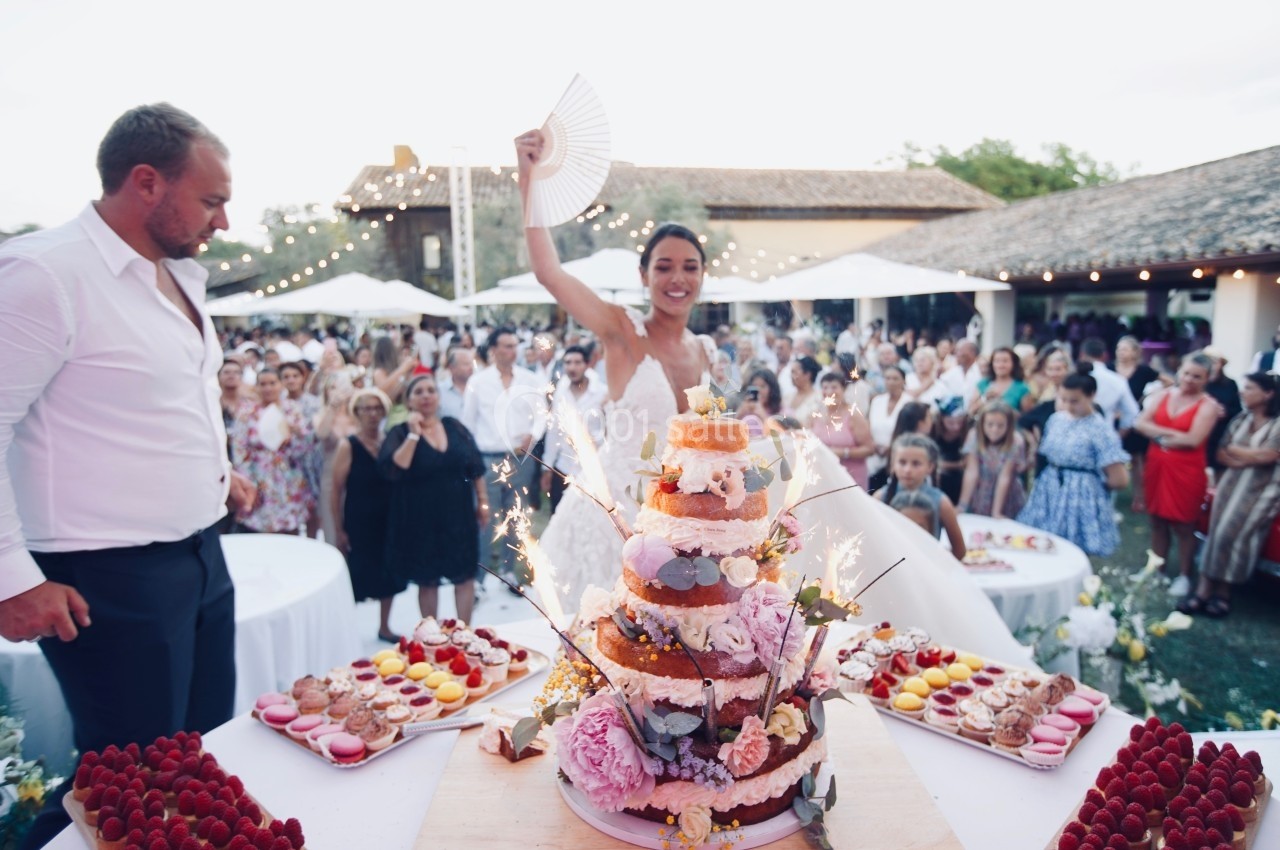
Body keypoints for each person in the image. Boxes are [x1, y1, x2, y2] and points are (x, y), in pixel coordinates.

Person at [0, 103, 254, 846]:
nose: (223, 221)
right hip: (104, 576)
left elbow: (161, 401)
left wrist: (220, 475)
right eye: (211, 200)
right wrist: (11, 578)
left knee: (197, 759)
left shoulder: (175, 275)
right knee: (123, 787)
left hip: (201, 557)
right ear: (146, 183)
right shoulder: (45, 272)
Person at [516, 128, 718, 608]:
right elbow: (550, 273)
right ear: (643, 275)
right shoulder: (622, 330)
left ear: (702, 275)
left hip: (682, 520)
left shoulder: (706, 350)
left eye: (690, 267)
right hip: (613, 515)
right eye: (664, 266)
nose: (677, 278)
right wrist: (529, 178)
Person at [381, 374, 487, 624]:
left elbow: (475, 467)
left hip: (459, 515)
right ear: (409, 401)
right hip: (421, 519)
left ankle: (465, 631)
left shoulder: (454, 427)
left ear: (439, 397)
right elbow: (397, 466)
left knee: (465, 576)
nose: (426, 396)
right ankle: (432, 635)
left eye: (431, 390)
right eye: (418, 392)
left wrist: (483, 501)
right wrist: (414, 434)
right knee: (428, 581)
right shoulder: (400, 432)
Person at [1179, 372, 1280, 618]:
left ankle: (1222, 592)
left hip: (1262, 491)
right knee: (1217, 532)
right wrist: (1248, 456)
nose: (1243, 392)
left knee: (1235, 536)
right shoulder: (1241, 419)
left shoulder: (1277, 423)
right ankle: (1205, 590)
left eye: (1250, 388)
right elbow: (1222, 452)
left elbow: (1270, 455)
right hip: (1230, 485)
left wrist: (1238, 451)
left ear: (1268, 394)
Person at [461, 326, 546, 580]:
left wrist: (534, 435)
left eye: (515, 345)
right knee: (486, 517)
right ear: (494, 349)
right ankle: (482, 576)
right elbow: (468, 423)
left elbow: (542, 414)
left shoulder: (530, 379)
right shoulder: (478, 382)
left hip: (520, 458)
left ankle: (510, 572)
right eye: (507, 346)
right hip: (488, 458)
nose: (513, 351)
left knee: (517, 515)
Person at [1017, 366, 1130, 556]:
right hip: (1050, 488)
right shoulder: (1057, 419)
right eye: (1064, 399)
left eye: (1075, 401)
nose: (1068, 406)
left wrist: (1090, 486)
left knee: (1070, 549)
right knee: (1040, 544)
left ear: (1091, 395)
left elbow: (1119, 479)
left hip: (1079, 495)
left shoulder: (1100, 429)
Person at [1134, 353, 1220, 597]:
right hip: (1157, 465)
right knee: (1156, 520)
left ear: (1206, 379)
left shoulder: (1208, 405)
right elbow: (1139, 423)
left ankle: (1184, 575)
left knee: (1184, 524)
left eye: (1197, 376)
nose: (1190, 379)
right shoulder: (1163, 395)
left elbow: (1193, 439)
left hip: (1187, 469)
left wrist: (1157, 434)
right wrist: (1171, 435)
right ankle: (1156, 568)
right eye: (1186, 373)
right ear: (1179, 371)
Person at [330, 387, 404, 642]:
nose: (372, 414)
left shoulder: (391, 441)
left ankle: (384, 626)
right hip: (360, 519)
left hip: (389, 518)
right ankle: (345, 630)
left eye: (377, 408)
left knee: (389, 573)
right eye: (366, 409)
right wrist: (338, 528)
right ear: (357, 413)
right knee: (357, 574)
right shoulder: (348, 445)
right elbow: (336, 489)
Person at [230, 369, 316, 534]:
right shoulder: (247, 412)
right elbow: (239, 448)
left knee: (291, 527)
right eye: (263, 384)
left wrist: (295, 434)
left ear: (280, 385)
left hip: (288, 475)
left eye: (272, 383)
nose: (268, 388)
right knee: (262, 526)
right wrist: (248, 480)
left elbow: (305, 445)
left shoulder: (292, 409)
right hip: (259, 476)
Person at [876, 434, 966, 560]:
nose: (908, 470)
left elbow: (959, 550)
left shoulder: (941, 502)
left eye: (916, 464)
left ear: (930, 467)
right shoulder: (880, 498)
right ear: (893, 464)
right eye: (902, 462)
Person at [541, 346, 609, 513]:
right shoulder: (560, 392)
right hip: (564, 466)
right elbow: (554, 431)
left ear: (587, 365)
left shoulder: (601, 393)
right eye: (568, 362)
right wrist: (547, 467)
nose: (572, 367)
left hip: (594, 468)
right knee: (559, 514)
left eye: (577, 362)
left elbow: (611, 430)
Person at [958, 401, 1029, 519]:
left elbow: (1004, 477)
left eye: (1000, 425)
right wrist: (962, 505)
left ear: (1009, 425)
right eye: (990, 424)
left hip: (1005, 494)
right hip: (981, 491)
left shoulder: (1015, 441)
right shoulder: (974, 436)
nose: (994, 430)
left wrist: (996, 512)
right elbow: (971, 472)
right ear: (982, 423)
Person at [809, 371, 873, 489]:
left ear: (843, 390)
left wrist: (844, 453)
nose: (829, 392)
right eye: (825, 387)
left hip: (850, 477)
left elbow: (869, 449)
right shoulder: (816, 414)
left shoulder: (853, 415)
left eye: (834, 387)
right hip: (825, 477)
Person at [1202, 347, 1243, 476]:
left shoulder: (1230, 384)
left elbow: (1238, 410)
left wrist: (1225, 412)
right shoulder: (1201, 383)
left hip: (1221, 431)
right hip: (1203, 430)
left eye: (1215, 361)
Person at [867, 364, 907, 489]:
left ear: (903, 381)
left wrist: (891, 448)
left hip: (899, 455)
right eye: (887, 378)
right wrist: (873, 444)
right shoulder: (877, 401)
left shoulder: (909, 402)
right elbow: (869, 425)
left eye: (895, 378)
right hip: (875, 455)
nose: (891, 382)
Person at [932, 396, 970, 503]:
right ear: (942, 419)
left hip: (960, 479)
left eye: (959, 422)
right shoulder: (933, 430)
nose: (956, 427)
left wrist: (943, 465)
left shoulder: (968, 430)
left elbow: (967, 463)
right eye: (951, 423)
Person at [973, 347, 1034, 414]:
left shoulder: (1022, 388)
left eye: (1005, 361)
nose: (1001, 365)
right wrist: (984, 399)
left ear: (1013, 363)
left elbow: (1028, 416)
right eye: (997, 361)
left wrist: (1001, 403)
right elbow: (971, 411)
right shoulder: (983, 384)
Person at [735, 368, 784, 437]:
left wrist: (763, 416)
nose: (758, 390)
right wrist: (739, 414)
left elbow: (780, 437)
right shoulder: (745, 408)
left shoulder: (782, 411)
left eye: (762, 386)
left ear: (772, 389)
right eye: (754, 386)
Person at [437, 347, 475, 422]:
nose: (471, 368)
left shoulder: (480, 388)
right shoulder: (439, 391)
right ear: (452, 368)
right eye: (466, 364)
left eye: (471, 363)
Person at [785, 355, 823, 424]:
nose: (791, 376)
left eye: (794, 372)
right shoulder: (787, 397)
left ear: (807, 375)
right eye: (791, 372)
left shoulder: (819, 399)